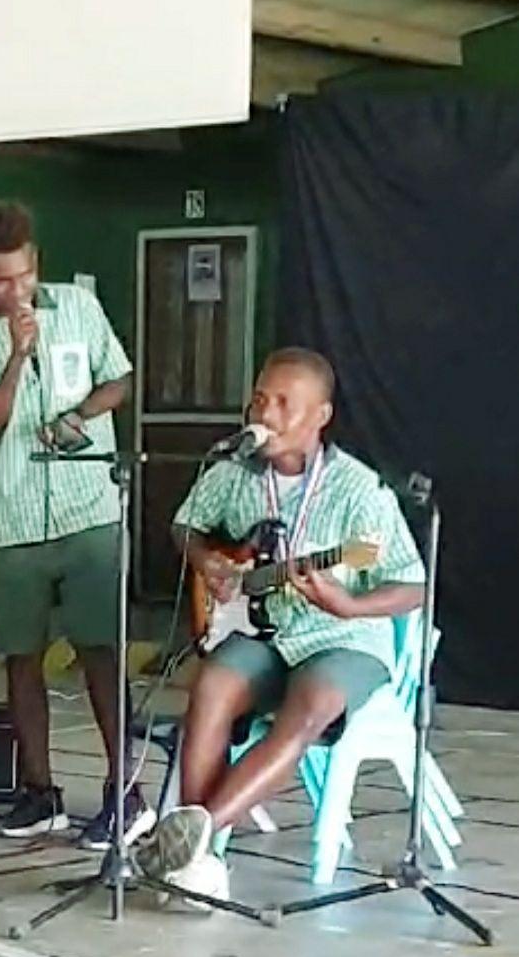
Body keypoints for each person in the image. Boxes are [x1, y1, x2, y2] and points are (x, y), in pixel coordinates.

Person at [140, 347, 425, 902]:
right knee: (212, 686)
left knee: (308, 705)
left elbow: (412, 583)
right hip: (263, 630)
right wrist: (207, 561)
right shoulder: (233, 473)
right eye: (259, 400)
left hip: (341, 637)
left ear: (321, 416)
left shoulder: (360, 490)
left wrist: (349, 605)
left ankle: (194, 839)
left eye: (284, 404)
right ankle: (195, 858)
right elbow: (186, 526)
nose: (266, 414)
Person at [0, 201, 152, 846]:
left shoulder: (79, 308)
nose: (18, 289)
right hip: (13, 519)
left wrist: (80, 415)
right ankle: (39, 793)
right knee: (21, 657)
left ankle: (126, 793)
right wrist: (14, 357)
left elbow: (119, 380)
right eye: (3, 279)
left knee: (101, 652)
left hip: (89, 508)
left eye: (26, 273)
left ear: (36, 260)